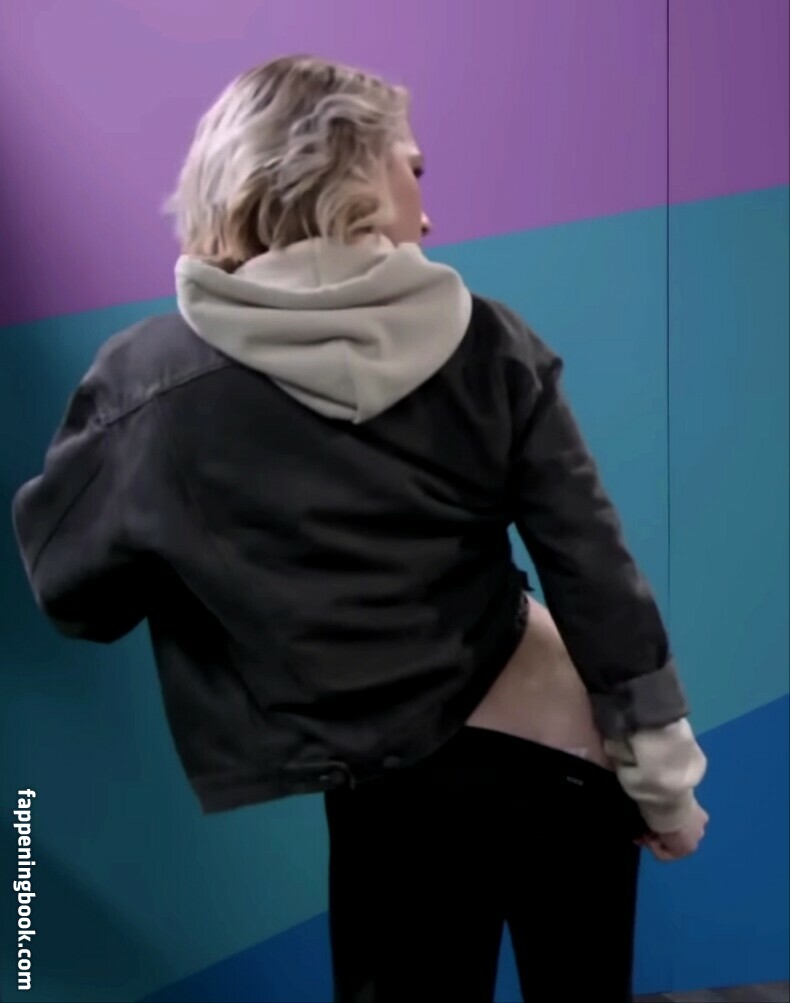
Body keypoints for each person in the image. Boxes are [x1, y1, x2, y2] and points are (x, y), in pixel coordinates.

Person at [12, 55, 708, 1002]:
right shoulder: (489, 342)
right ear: (344, 169)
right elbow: (596, 576)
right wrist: (665, 782)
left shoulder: (148, 387)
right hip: (569, 753)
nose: (428, 212)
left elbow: (76, 599)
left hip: (390, 784)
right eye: (412, 169)